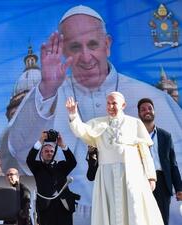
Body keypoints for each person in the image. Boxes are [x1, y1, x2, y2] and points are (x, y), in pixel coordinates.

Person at [0, 4, 182, 222]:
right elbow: (18, 150)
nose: (86, 57)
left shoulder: (155, 99)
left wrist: (151, 177)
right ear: (64, 50)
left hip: (135, 190)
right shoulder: (47, 93)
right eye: (75, 47)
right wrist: (50, 92)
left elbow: (151, 154)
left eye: (93, 44)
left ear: (107, 45)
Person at [65, 91, 164, 225]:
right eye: (108, 103)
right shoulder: (98, 123)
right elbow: (80, 130)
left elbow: (145, 153)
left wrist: (151, 177)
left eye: (114, 103)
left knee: (134, 209)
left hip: (132, 175)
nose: (110, 106)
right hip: (107, 176)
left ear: (123, 105)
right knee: (109, 211)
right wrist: (73, 115)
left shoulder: (135, 123)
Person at [137, 98, 182, 225]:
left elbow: (173, 164)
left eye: (150, 108)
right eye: (143, 109)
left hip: (162, 182)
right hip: (140, 181)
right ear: (139, 113)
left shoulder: (165, 136)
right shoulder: (134, 136)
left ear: (154, 111)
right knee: (142, 219)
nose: (147, 111)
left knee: (162, 220)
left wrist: (179, 188)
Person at [26, 131, 79, 225]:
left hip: (64, 205)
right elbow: (29, 159)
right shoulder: (37, 167)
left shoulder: (61, 166)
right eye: (46, 151)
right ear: (41, 153)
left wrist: (62, 145)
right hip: (45, 207)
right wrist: (40, 141)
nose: (49, 153)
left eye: (51, 151)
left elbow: (72, 162)